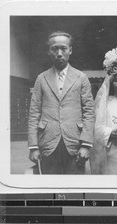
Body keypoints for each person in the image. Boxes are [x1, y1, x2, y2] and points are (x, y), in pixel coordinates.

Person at [28, 31, 95, 174]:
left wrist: (86, 145)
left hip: (74, 143)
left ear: (70, 50)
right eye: (54, 49)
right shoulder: (41, 78)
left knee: (74, 188)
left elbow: (89, 112)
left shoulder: (81, 78)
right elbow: (34, 113)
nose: (59, 53)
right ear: (48, 51)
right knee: (50, 186)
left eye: (63, 48)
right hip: (48, 143)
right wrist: (33, 146)